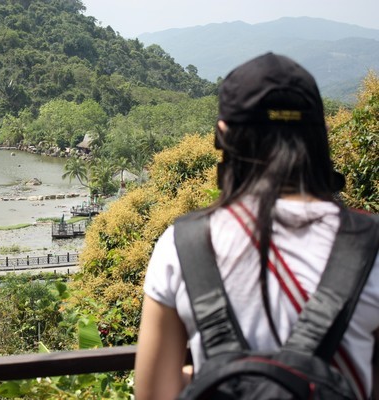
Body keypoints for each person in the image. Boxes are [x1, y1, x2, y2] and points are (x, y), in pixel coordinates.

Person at [134, 53, 379, 400]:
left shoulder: (182, 244)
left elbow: (154, 394)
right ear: (323, 136)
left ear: (223, 135)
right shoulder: (369, 243)